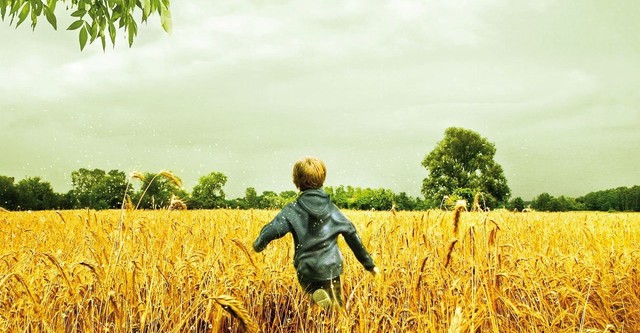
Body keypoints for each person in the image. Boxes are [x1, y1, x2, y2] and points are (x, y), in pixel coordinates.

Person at [253, 156, 380, 308]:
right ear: (322, 179)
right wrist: (369, 265)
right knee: (335, 308)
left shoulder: (292, 209)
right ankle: (332, 312)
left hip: (307, 268)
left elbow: (272, 231)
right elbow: (351, 234)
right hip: (331, 267)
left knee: (314, 300)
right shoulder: (332, 210)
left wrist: (258, 244)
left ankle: (315, 294)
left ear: (296, 180)